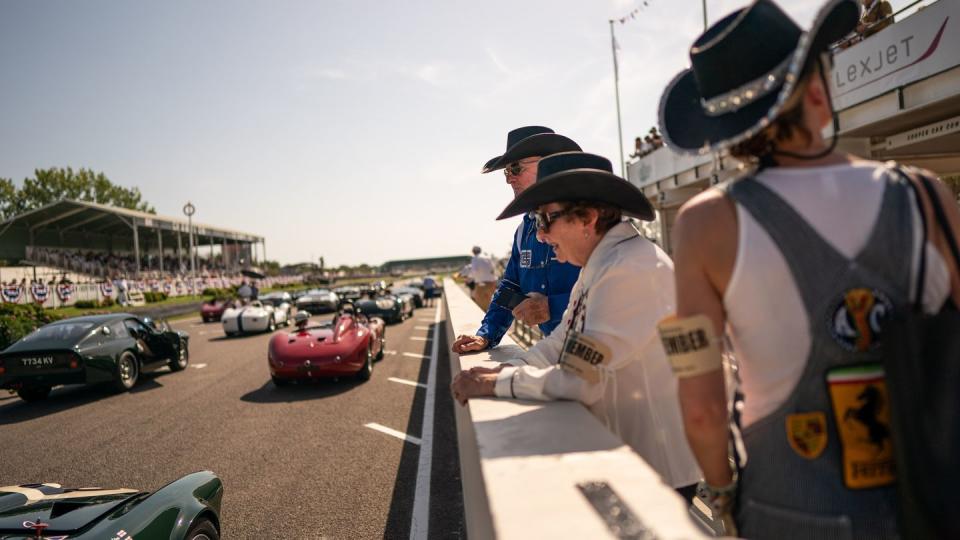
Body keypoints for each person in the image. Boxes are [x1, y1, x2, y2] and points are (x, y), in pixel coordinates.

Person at [657, 0, 959, 537]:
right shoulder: (926, 196)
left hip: (790, 508)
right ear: (817, 94)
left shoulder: (706, 223)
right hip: (937, 497)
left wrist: (724, 495)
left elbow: (702, 409)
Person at [450, 152, 701, 494]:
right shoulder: (601, 263)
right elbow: (559, 343)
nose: (539, 235)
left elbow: (579, 379)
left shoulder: (630, 268)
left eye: (545, 219)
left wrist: (498, 383)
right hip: (626, 453)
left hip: (657, 471)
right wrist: (505, 369)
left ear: (588, 218)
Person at [451, 126, 582, 354]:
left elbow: (619, 294)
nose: (509, 179)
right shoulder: (525, 230)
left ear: (548, 165)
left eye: (515, 168)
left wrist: (553, 307)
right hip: (563, 356)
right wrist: (486, 335)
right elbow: (510, 287)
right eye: (506, 172)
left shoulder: (589, 221)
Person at [466, 246, 498, 311]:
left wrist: (469, 278)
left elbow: (474, 271)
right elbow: (493, 270)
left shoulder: (475, 258)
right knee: (491, 301)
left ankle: (485, 319)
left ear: (473, 252)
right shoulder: (488, 257)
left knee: (481, 304)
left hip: (481, 284)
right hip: (492, 282)